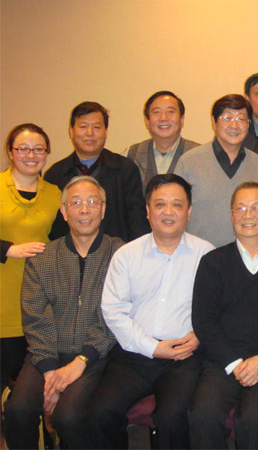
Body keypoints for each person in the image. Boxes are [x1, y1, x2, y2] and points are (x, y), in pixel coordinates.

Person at [89, 174, 214, 449]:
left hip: (183, 356)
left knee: (172, 417)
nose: (168, 212)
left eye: (177, 205)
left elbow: (216, 310)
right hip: (133, 355)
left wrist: (199, 337)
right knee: (100, 413)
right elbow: (114, 311)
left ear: (189, 211)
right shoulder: (127, 255)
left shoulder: (206, 255)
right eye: (160, 204)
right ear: (147, 211)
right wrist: (153, 347)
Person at [3, 176, 122, 449]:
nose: (84, 210)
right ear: (64, 211)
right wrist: (49, 373)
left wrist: (82, 359)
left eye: (92, 202)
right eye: (76, 203)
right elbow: (35, 317)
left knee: (68, 417)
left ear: (103, 209)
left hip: (96, 355)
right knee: (18, 410)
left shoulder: (120, 254)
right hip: (47, 354)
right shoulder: (43, 257)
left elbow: (116, 315)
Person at [189, 182, 258, 448]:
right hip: (222, 360)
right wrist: (234, 363)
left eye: (257, 208)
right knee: (203, 416)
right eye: (241, 208)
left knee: (255, 420)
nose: (248, 215)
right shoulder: (212, 262)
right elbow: (203, 321)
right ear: (231, 215)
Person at [1, 123, 61, 392]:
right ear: (10, 152)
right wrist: (8, 250)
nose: (31, 155)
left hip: (37, 299)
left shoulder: (55, 194)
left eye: (38, 149)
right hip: (3, 296)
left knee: (27, 387)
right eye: (23, 148)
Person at [44, 101, 149, 242]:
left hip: (116, 252)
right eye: (83, 126)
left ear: (105, 132)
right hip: (68, 254)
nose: (89, 133)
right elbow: (51, 226)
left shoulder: (125, 169)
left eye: (96, 127)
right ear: (71, 131)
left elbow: (137, 221)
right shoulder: (55, 174)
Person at [175, 94, 258, 246]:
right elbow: (176, 211)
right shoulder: (189, 162)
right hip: (200, 253)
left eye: (241, 119)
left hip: (246, 253)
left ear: (248, 124)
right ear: (214, 122)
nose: (234, 125)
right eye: (227, 117)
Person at [126, 90, 200, 188]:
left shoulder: (198, 155)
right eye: (157, 112)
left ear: (182, 119)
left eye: (170, 112)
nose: (163, 118)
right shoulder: (133, 154)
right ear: (147, 121)